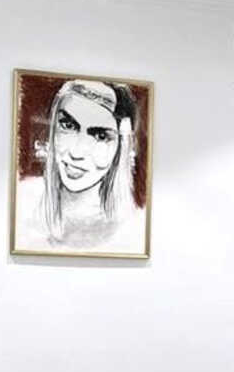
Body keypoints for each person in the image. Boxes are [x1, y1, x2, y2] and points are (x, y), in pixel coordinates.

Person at [15, 79, 145, 253]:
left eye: (100, 136)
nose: (76, 152)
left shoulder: (132, 227)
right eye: (68, 125)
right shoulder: (23, 199)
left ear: (121, 146)